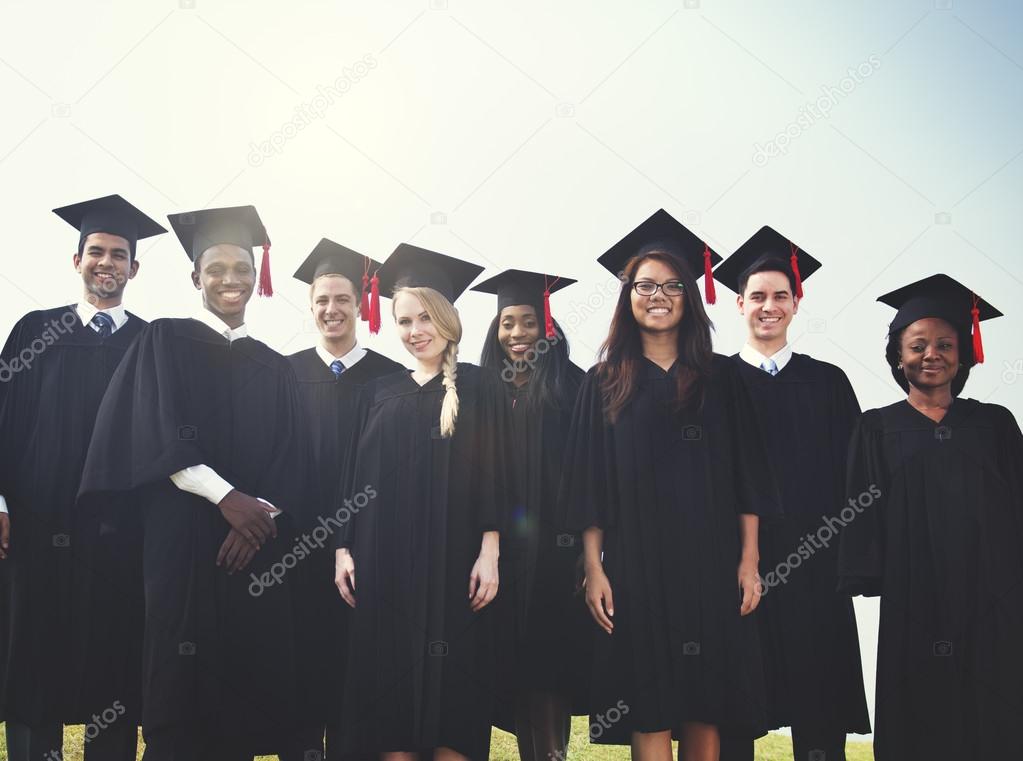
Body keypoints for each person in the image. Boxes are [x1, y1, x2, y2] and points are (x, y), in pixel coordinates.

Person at [78, 205, 306, 761]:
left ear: (258, 278)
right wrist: (228, 499)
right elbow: (156, 431)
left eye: (243, 269)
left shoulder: (274, 365)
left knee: (242, 677)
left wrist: (258, 520)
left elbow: (292, 457)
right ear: (195, 277)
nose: (232, 279)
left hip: (250, 546)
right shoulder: (164, 340)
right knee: (177, 670)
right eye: (217, 268)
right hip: (178, 540)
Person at [560, 210, 778, 761]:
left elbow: (747, 477)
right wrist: (593, 568)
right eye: (645, 286)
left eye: (672, 285)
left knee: (705, 705)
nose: (658, 296)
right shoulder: (604, 382)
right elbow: (588, 483)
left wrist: (749, 562)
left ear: (690, 296)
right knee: (649, 701)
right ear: (627, 297)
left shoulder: (723, 378)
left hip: (710, 563)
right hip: (635, 565)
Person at [0, 195, 165, 761]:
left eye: (119, 254)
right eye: (96, 251)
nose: (106, 263)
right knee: (31, 662)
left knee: (113, 667)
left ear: (134, 269)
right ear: (76, 261)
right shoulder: (34, 332)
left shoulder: (151, 343)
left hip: (118, 539)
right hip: (36, 528)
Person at [333, 243, 510, 761]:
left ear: (448, 318)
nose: (416, 330)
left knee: (453, 699)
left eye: (425, 317)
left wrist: (491, 550)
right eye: (405, 320)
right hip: (384, 566)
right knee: (390, 705)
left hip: (455, 567)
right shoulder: (378, 393)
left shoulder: (480, 386)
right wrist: (343, 549)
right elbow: (351, 477)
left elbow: (500, 476)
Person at [838, 274, 1023, 761]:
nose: (932, 354)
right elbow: (862, 509)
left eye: (945, 344)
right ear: (899, 357)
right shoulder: (876, 428)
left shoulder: (996, 424)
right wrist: (871, 574)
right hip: (913, 595)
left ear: (963, 355)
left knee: (993, 709)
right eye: (917, 345)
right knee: (918, 711)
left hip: (994, 598)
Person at [712, 226, 870, 761]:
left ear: (796, 304)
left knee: (817, 707)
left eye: (781, 296)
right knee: (734, 711)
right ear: (739, 303)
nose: (769, 306)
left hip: (815, 567)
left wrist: (852, 561)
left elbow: (858, 482)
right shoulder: (713, 382)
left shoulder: (829, 383)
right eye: (757, 296)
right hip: (735, 568)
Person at [283, 238, 403, 761]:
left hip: (366, 546)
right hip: (295, 548)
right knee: (302, 667)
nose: (332, 310)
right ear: (310, 308)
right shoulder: (283, 373)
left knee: (360, 669)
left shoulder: (391, 379)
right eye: (321, 302)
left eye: (342, 300)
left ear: (362, 304)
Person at [472, 269, 589, 761]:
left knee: (546, 666)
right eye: (507, 323)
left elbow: (590, 473)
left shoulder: (575, 386)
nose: (517, 333)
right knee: (512, 668)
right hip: (496, 551)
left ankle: (552, 755)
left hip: (555, 554)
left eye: (527, 322)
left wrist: (589, 551)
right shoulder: (481, 390)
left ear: (548, 328)